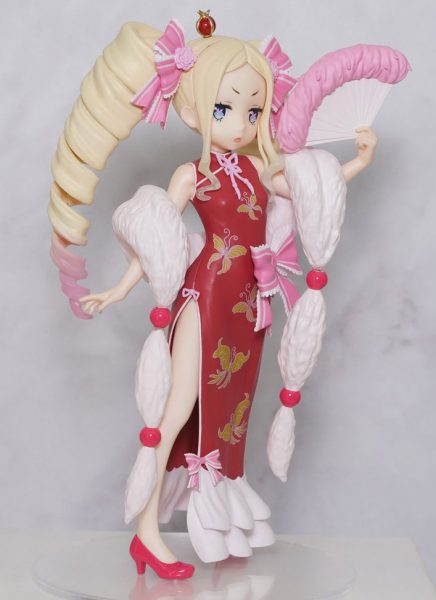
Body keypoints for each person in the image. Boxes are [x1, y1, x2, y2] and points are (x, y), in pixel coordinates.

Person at [49, 15, 408, 579]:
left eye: (253, 111)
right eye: (224, 108)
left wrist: (358, 161)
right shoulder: (191, 174)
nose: (240, 123)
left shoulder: (260, 167)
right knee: (176, 409)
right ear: (194, 111)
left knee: (230, 411)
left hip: (248, 305)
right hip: (206, 296)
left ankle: (215, 513)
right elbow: (157, 231)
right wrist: (120, 287)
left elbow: (312, 191)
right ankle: (146, 533)